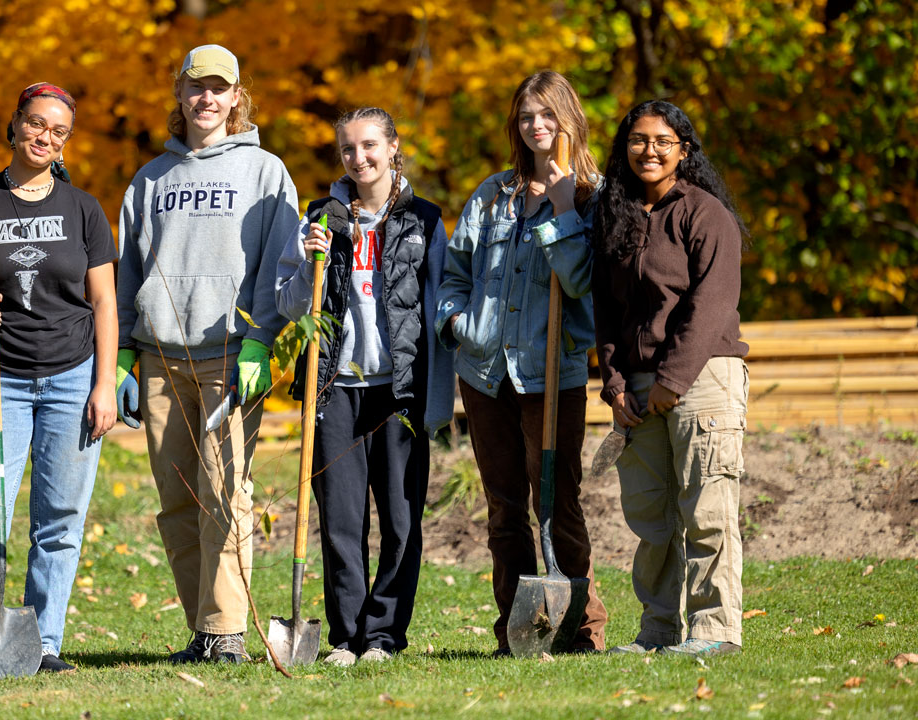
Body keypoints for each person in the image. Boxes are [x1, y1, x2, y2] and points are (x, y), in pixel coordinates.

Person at [115, 44, 300, 664]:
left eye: (219, 89)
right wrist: (120, 357)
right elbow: (126, 271)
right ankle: (205, 628)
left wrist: (260, 339)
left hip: (231, 357)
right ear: (180, 94)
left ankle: (225, 632)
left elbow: (284, 263)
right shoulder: (151, 179)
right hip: (159, 358)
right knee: (177, 503)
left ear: (237, 97)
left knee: (225, 493)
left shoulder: (265, 172)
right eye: (196, 88)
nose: (207, 99)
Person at [0, 82, 118, 678]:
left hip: (73, 375)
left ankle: (41, 644)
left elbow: (105, 304)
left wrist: (105, 384)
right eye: (36, 124)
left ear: (66, 141)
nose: (45, 137)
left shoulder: (83, 208)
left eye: (58, 131)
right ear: (14, 125)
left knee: (59, 518)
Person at [434, 71, 608, 656]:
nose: (537, 126)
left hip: (551, 374)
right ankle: (516, 629)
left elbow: (583, 281)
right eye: (527, 115)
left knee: (557, 499)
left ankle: (581, 628)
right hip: (485, 372)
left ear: (569, 120)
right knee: (504, 504)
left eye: (548, 115)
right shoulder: (492, 194)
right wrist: (457, 322)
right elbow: (455, 271)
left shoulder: (593, 196)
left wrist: (561, 211)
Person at [274, 107, 453, 666]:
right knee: (341, 523)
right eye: (349, 149)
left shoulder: (424, 218)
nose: (360, 158)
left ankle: (383, 636)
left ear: (394, 147)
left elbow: (437, 305)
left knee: (401, 520)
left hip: (398, 390)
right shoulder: (319, 218)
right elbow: (287, 303)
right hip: (336, 388)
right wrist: (307, 267)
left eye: (371, 145)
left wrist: (439, 397)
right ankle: (347, 636)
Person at [593, 100, 749, 657]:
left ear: (684, 150)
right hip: (636, 389)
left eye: (663, 140)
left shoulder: (705, 214)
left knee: (706, 508)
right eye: (638, 139)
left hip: (703, 379)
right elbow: (606, 312)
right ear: (624, 147)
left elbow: (710, 306)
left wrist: (673, 380)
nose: (649, 150)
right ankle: (657, 631)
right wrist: (613, 385)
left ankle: (713, 631)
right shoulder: (615, 216)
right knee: (653, 519)